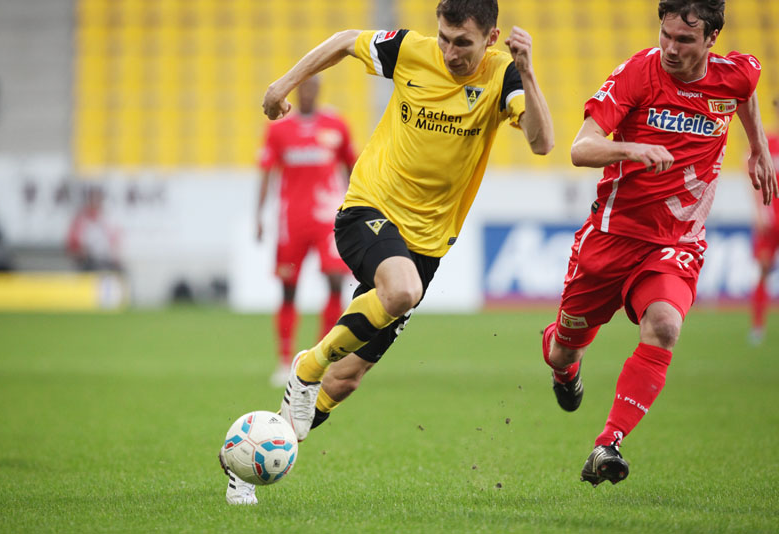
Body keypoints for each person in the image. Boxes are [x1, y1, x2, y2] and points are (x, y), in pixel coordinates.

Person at [219, 0, 555, 505]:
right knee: (400, 291)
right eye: (444, 38)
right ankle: (305, 367)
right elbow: (343, 41)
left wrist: (527, 72)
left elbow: (542, 143)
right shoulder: (410, 51)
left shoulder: (503, 76)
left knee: (345, 379)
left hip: (427, 243)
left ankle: (245, 465)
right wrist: (281, 85)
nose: (449, 52)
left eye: (462, 43)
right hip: (369, 209)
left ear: (491, 38)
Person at [539, 0, 777, 487]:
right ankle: (565, 369)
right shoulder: (638, 74)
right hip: (611, 238)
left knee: (665, 325)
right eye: (666, 35)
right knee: (562, 350)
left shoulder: (734, 74)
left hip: (675, 243)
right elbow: (581, 148)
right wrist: (632, 148)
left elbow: (745, 92)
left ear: (710, 40)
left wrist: (757, 148)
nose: (670, 47)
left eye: (684, 40)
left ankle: (607, 444)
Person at [256, 75, 357, 388]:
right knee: (288, 288)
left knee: (336, 282)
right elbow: (266, 173)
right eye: (305, 88)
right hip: (292, 221)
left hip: (327, 219)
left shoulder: (336, 124)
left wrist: (358, 210)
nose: (309, 93)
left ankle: (322, 360)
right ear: (297, 92)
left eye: (314, 88)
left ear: (319, 90)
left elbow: (352, 168)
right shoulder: (279, 129)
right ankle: (284, 360)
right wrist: (259, 215)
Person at [748, 96, 779, 346]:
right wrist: (759, 212)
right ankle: (758, 326)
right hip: (771, 219)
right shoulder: (767, 142)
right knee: (763, 269)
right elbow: (754, 179)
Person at [66, 186, 122, 272]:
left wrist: (114, 256)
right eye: (93, 200)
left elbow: (114, 243)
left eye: (98, 200)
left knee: (120, 270)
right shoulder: (80, 221)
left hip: (105, 259)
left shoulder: (107, 219)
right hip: (88, 261)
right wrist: (81, 253)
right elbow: (73, 247)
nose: (96, 204)